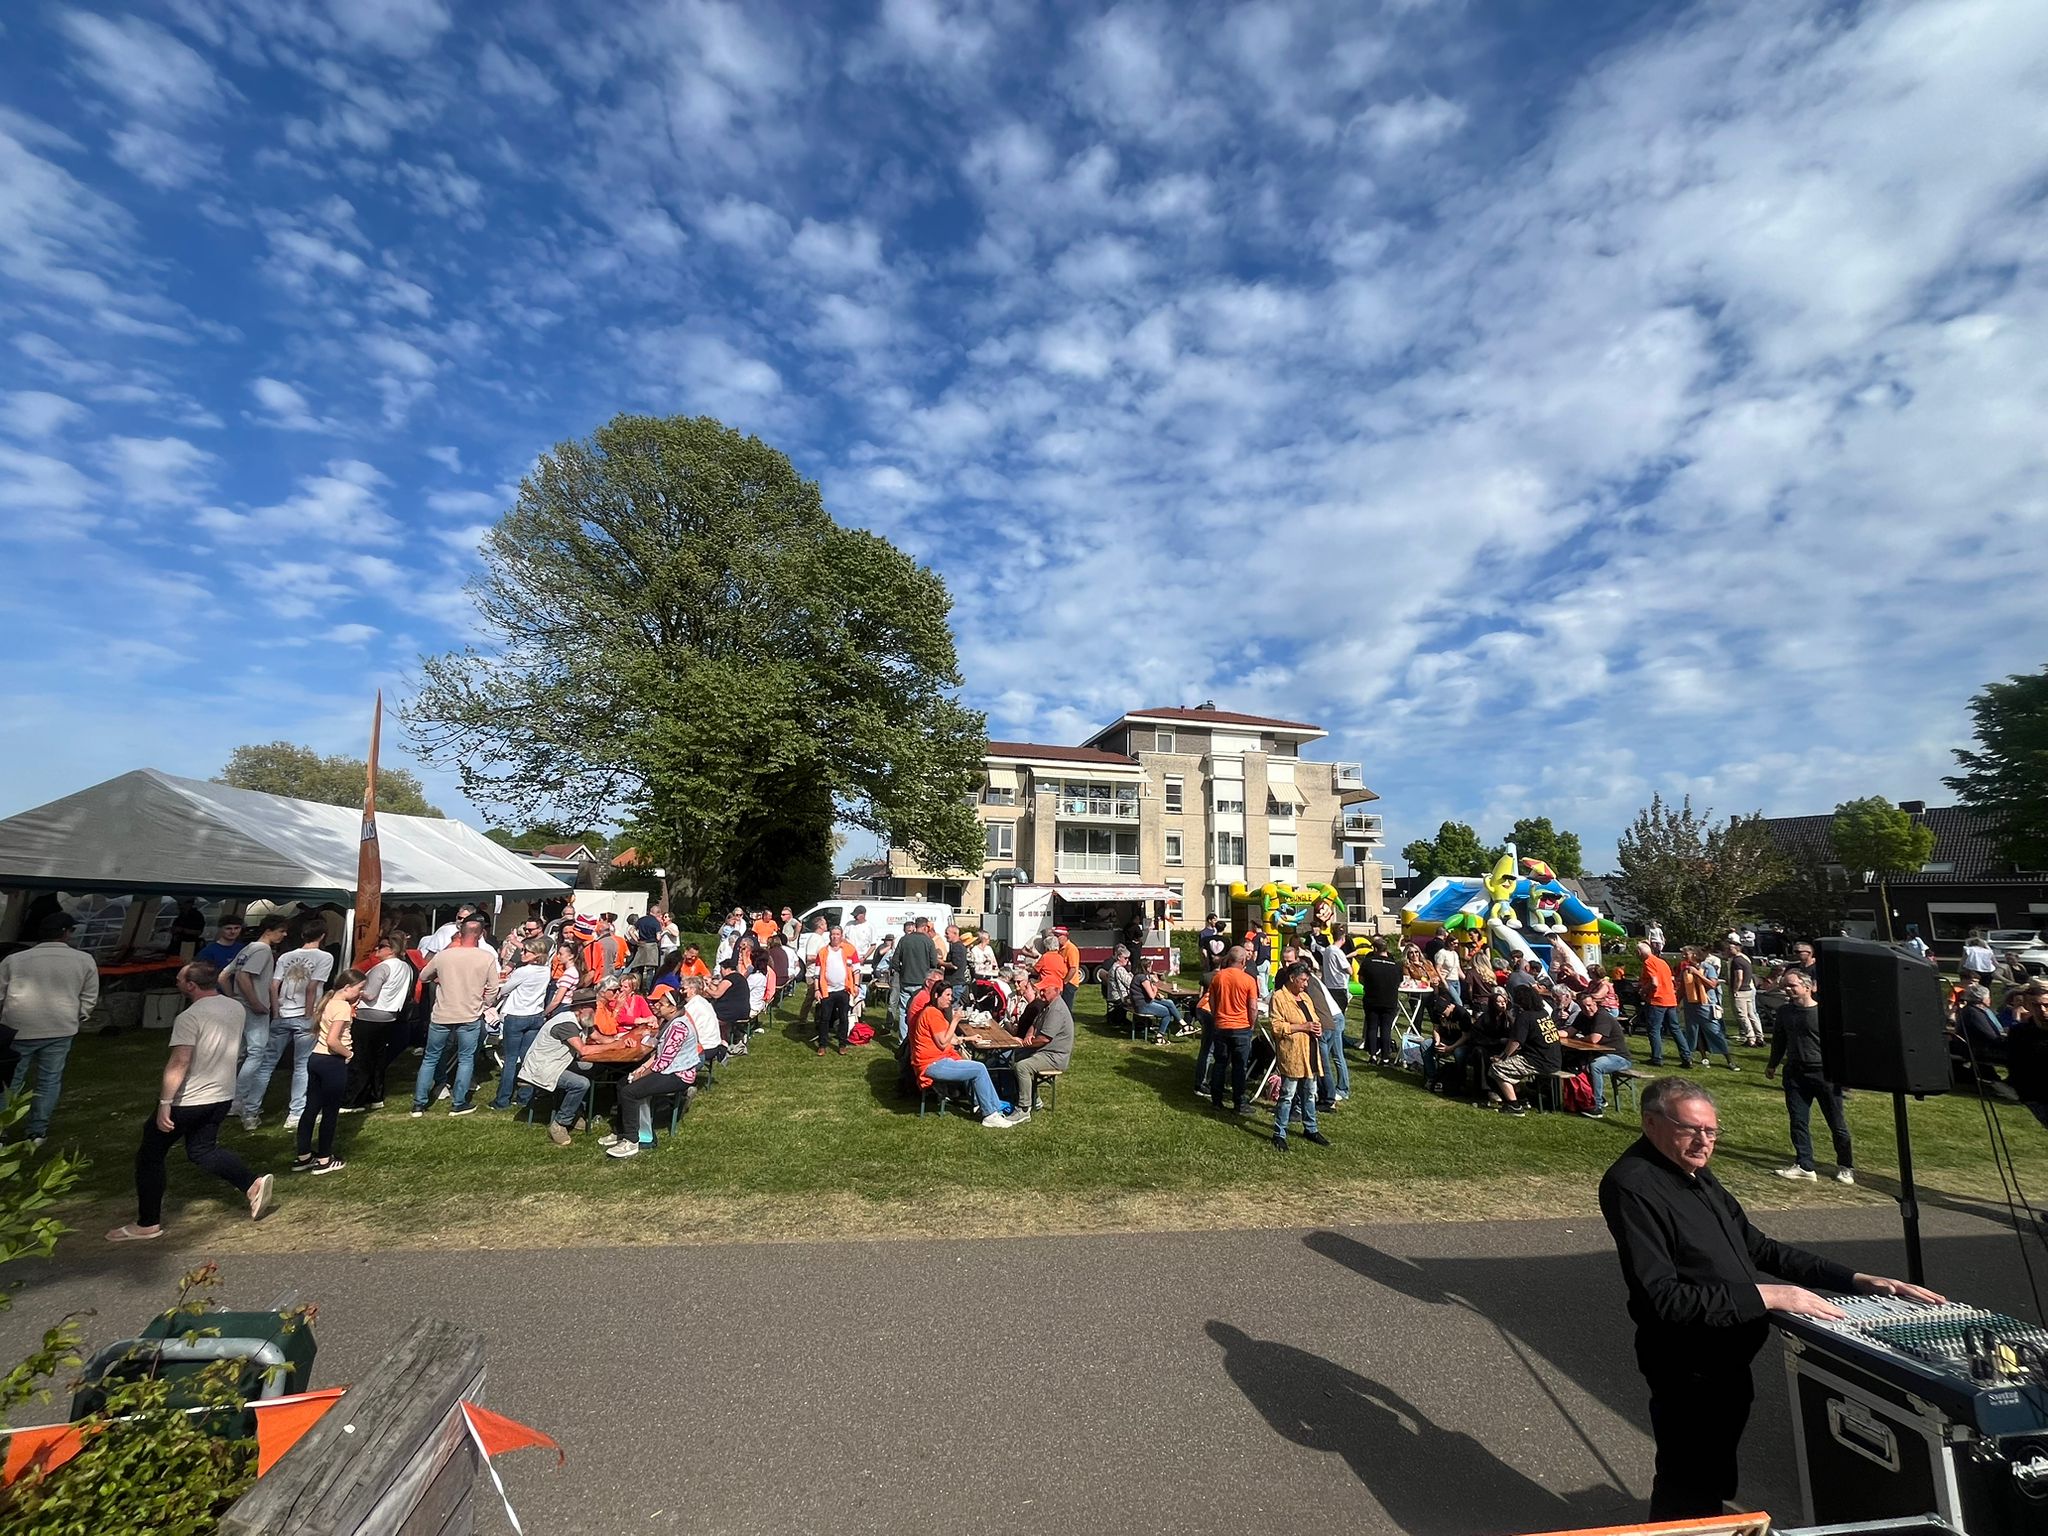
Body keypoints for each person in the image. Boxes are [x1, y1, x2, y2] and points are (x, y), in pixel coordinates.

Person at [1599, 1076, 1942, 1520]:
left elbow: (1760, 1249)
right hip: (1688, 1363)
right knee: (1687, 1481)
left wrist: (1856, 1279)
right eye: (1692, 1129)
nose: (1704, 1142)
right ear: (1651, 1122)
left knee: (1715, 1477)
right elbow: (1662, 1298)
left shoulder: (1696, 1174)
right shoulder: (1633, 1185)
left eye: (1712, 1131)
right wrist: (1770, 1296)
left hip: (1728, 1358)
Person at [106, 961, 275, 1241]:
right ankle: (251, 1184)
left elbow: (179, 1062)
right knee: (202, 1150)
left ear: (191, 986)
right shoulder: (233, 1007)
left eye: (179, 980)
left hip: (190, 1098)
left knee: (150, 1155)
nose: (176, 983)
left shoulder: (189, 1017)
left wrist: (164, 1103)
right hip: (222, 1094)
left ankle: (147, 1223)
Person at [0, 913, 99, 1146]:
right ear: (66, 932)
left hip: (18, 1026)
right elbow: (89, 996)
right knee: (49, 1080)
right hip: (60, 1026)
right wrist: (79, 1016)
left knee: (10, 1082)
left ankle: (2, 1130)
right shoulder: (83, 959)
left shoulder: (15, 960)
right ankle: (37, 1132)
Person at [238, 919, 333, 1131]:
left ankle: (250, 1111)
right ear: (323, 936)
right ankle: (296, 1112)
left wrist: (276, 1011)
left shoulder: (286, 956)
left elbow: (273, 985)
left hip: (282, 1013)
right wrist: (310, 1014)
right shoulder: (325, 957)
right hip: (304, 1015)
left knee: (266, 1064)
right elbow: (312, 987)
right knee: (301, 1066)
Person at [1765, 967, 1854, 1183]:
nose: (1788, 989)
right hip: (1795, 1074)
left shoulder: (1824, 1013)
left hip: (1825, 1074)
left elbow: (1839, 1046)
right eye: (1785, 985)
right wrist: (1772, 1064)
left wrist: (1845, 1075)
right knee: (1798, 1120)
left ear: (1807, 987)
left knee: (1837, 1123)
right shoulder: (1785, 1012)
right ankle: (1805, 1164)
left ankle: (1845, 1165)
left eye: (1792, 985)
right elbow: (1779, 1040)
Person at [412, 915, 500, 1118]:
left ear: (461, 934)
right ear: (480, 935)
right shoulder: (486, 958)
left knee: (430, 1058)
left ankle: (419, 1104)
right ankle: (458, 1102)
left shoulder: (444, 955)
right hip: (469, 1014)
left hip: (442, 1013)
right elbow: (493, 988)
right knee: (466, 1059)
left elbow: (424, 976)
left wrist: (440, 978)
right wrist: (485, 1002)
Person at [604, 987, 701, 1159]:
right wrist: (638, 1070)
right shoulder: (668, 1022)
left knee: (629, 1092)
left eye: (662, 1003)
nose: (657, 1005)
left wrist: (641, 1075)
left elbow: (664, 1062)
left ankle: (632, 1140)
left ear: (673, 1008)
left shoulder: (679, 1027)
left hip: (678, 1075)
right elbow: (658, 1053)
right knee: (622, 1083)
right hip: (667, 1069)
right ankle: (621, 1130)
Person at [909, 981, 1018, 1127]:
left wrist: (968, 1038)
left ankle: (990, 1108)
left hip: (938, 1060)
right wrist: (955, 1020)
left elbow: (950, 1038)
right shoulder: (931, 1014)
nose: (950, 998)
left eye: (951, 995)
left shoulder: (934, 1012)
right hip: (931, 1064)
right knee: (979, 1069)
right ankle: (990, 1115)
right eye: (947, 995)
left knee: (974, 1065)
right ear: (936, 995)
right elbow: (942, 1043)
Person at [292, 967, 362, 1175]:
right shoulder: (341, 1008)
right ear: (348, 988)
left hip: (316, 1058)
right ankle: (324, 1159)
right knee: (330, 1112)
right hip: (332, 1061)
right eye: (360, 988)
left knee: (311, 1108)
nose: (361, 992)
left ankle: (303, 1155)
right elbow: (333, 1040)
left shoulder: (329, 1002)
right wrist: (348, 1054)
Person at [1267, 963, 1330, 1151]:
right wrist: (1303, 1027)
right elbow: (1277, 1027)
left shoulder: (1305, 997)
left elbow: (1314, 1019)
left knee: (1310, 1093)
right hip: (1293, 1054)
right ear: (1293, 978)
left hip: (1310, 1052)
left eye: (1307, 981)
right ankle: (1280, 1133)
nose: (1305, 984)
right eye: (1303, 980)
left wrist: (1317, 1027)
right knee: (1287, 1095)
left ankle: (1311, 1128)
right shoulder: (1279, 997)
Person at [345, 936, 412, 1109]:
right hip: (389, 1015)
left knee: (361, 1057)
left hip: (369, 1015)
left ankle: (355, 1099)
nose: (377, 950)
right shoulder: (406, 967)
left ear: (391, 949)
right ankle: (376, 1095)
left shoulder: (381, 968)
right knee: (378, 1057)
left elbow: (371, 994)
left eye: (381, 947)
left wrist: (354, 991)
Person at [489, 945, 553, 1110]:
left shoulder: (523, 971)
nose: (522, 954)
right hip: (536, 1016)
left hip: (517, 1016)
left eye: (526, 951)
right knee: (527, 1058)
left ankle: (502, 1100)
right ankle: (525, 1097)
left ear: (536, 955)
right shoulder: (546, 971)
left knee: (510, 1059)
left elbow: (504, 989)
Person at [1003, 974, 1073, 1121]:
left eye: (1044, 990)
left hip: (1055, 1056)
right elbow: (1034, 1025)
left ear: (1056, 990)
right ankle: (1033, 1098)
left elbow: (1044, 1039)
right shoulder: (1047, 1005)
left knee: (1023, 1067)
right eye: (1040, 990)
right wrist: (1028, 1036)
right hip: (1044, 1051)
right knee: (1014, 1055)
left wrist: (1023, 1042)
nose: (1041, 993)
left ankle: (1023, 1109)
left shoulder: (1057, 1010)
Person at [1204, 945, 1260, 1113]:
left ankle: (1216, 1101)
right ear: (1243, 960)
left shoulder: (1218, 977)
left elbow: (1212, 1002)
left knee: (1220, 1063)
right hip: (1241, 1027)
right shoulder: (1248, 980)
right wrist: (1251, 1023)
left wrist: (1217, 1017)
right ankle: (1239, 1102)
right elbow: (1253, 1007)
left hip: (1221, 1026)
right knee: (1239, 1066)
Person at [1311, 928, 1353, 1106]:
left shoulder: (1327, 949)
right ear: (1342, 938)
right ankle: (1339, 1088)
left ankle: (1336, 1088)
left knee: (1331, 1051)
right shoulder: (1338, 952)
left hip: (1330, 990)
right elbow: (1350, 970)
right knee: (1336, 1052)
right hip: (1339, 991)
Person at [1680, 947, 1735, 1070]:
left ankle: (1729, 1060)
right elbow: (1682, 989)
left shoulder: (1707, 967)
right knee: (1693, 1033)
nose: (1683, 956)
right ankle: (1693, 1058)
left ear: (1694, 954)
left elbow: (1712, 985)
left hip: (1706, 1006)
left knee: (1715, 1033)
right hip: (1690, 1006)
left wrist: (1697, 973)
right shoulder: (1685, 969)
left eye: (1685, 954)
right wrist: (1675, 1002)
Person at [1574, 1003, 1632, 1118]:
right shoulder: (1582, 1015)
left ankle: (1596, 1106)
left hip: (1619, 1057)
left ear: (1595, 1004)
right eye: (1584, 1007)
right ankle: (1588, 1097)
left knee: (1595, 1066)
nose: (1587, 1009)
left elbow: (1594, 1039)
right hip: (1600, 1054)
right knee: (1578, 1062)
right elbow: (1570, 1031)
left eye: (1589, 1005)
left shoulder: (1602, 1016)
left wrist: (1580, 1038)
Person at [1635, 941, 1687, 1069]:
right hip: (1670, 999)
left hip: (1657, 1000)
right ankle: (1687, 1057)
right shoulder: (1662, 962)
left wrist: (1643, 990)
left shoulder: (1648, 962)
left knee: (1654, 1030)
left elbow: (1654, 982)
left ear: (1639, 952)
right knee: (1675, 1029)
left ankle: (1656, 1058)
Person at [812, 925, 861, 1055]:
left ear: (841, 935)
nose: (835, 936)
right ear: (830, 936)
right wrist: (817, 990)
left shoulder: (850, 950)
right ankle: (822, 1045)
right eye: (833, 934)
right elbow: (817, 974)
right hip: (826, 990)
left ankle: (842, 1044)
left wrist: (856, 985)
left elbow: (856, 970)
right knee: (825, 1018)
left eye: (837, 934)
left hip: (844, 990)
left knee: (844, 1018)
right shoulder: (822, 952)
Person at [1421, 981, 1473, 1096]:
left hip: (1460, 1042)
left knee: (1459, 1053)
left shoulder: (1461, 1013)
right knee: (1425, 1044)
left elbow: (1467, 1036)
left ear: (1449, 1006)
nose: (1442, 1017)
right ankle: (1432, 1077)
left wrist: (1450, 1048)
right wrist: (1437, 1041)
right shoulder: (1437, 1012)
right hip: (1445, 1040)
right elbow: (1436, 1028)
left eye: (1444, 1013)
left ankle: (1460, 1080)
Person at [1356, 939, 1401, 1065]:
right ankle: (1386, 1057)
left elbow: (1361, 979)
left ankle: (1373, 1055)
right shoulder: (1395, 965)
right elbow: (1399, 982)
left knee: (1372, 1027)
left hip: (1372, 1000)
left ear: (1375, 949)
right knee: (1386, 1029)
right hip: (1390, 1001)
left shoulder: (1368, 963)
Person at [1721, 937, 1763, 1048]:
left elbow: (1739, 977)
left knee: (1742, 1016)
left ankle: (1751, 1039)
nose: (1728, 951)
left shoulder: (1736, 961)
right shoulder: (1745, 959)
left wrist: (1735, 990)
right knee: (1752, 1015)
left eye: (1730, 949)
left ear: (1736, 949)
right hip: (1748, 990)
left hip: (1741, 992)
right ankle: (1760, 1036)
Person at [1054, 927, 1082, 1011]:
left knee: (1066, 1007)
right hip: (1062, 982)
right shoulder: (1060, 948)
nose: (1056, 938)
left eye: (1058, 936)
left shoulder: (1071, 949)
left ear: (1065, 936)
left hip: (1069, 983)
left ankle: (1067, 1023)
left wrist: (1065, 982)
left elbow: (1073, 969)